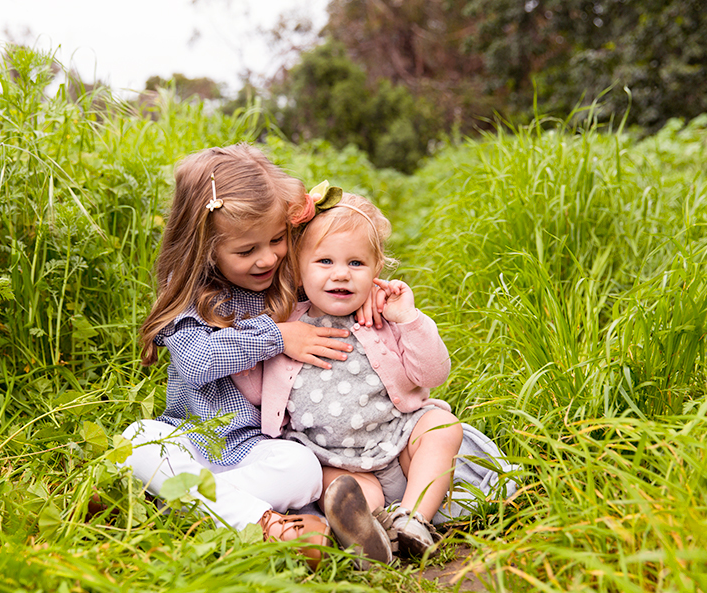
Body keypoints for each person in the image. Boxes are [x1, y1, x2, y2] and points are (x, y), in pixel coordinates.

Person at [120, 145, 357, 570]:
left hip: (258, 447)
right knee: (135, 439)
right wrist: (275, 336)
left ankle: (177, 505)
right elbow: (198, 361)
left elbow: (338, 270)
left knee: (303, 470)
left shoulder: (286, 276)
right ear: (206, 248)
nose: (267, 258)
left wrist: (380, 294)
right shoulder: (191, 297)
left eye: (277, 240)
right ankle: (263, 523)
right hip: (189, 438)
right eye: (246, 251)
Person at [254, 189, 465, 566]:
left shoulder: (385, 317)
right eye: (324, 261)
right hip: (330, 457)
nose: (340, 273)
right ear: (298, 268)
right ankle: (368, 536)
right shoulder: (285, 326)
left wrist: (410, 320)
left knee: (442, 426)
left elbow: (434, 373)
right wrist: (266, 342)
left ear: (376, 268)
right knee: (343, 494)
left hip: (399, 445)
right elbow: (254, 388)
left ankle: (414, 519)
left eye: (356, 263)